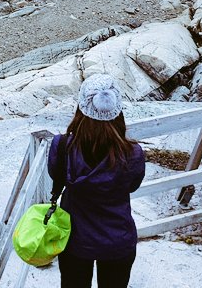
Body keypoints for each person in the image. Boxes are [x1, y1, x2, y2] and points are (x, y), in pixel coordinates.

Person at [47, 74, 145, 288]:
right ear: (118, 110)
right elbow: (132, 186)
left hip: (75, 240)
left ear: (81, 108)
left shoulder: (62, 147)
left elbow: (57, 176)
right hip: (118, 239)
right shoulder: (133, 153)